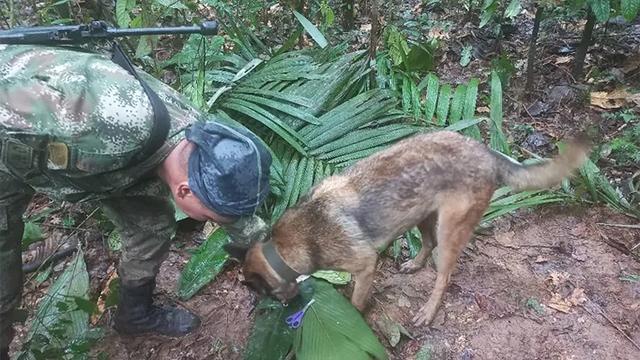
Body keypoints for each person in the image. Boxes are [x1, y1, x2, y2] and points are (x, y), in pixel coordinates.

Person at [0, 43, 272, 358]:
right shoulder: (100, 130)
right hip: (12, 138)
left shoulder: (201, 141)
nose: (216, 222)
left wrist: (276, 258)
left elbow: (233, 210)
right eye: (212, 218)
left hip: (83, 154)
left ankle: (134, 315)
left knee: (150, 226)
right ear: (184, 191)